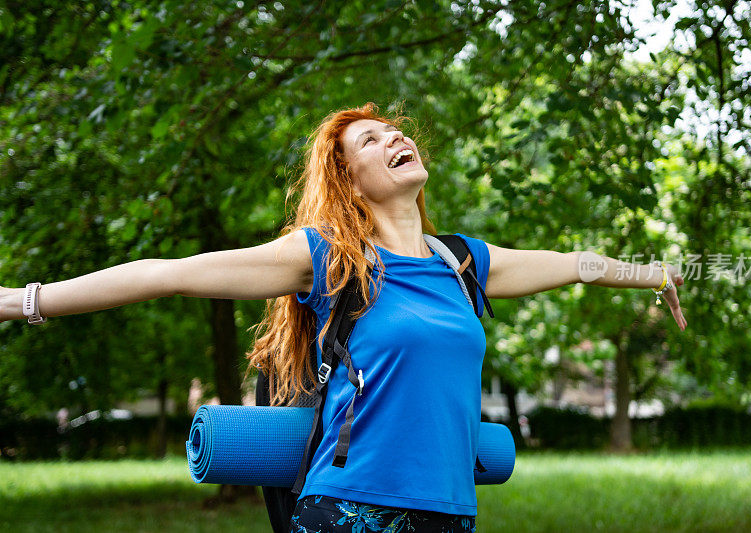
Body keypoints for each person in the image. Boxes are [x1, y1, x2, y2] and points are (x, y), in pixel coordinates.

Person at [0, 103, 686, 532]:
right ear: (351, 181)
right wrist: (25, 299)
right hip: (351, 511)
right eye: (370, 141)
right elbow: (169, 275)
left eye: (395, 132)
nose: (393, 139)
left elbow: (573, 261)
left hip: (451, 512)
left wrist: (651, 272)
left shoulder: (463, 263)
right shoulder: (329, 257)